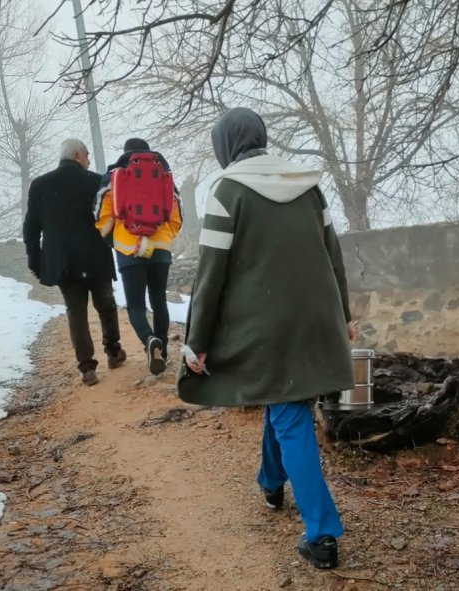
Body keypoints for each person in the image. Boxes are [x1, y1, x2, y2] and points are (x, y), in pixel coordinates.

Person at [177, 108, 357, 569]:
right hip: (316, 318)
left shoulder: (228, 191)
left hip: (266, 328)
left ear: (225, 146)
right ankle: (271, 482)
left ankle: (322, 534)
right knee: (285, 399)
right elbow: (333, 256)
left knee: (289, 413)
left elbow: (211, 273)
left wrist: (196, 340)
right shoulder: (309, 186)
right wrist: (345, 315)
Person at [23, 138, 126, 386]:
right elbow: (110, 217)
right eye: (87, 155)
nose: (89, 160)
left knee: (76, 313)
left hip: (63, 263)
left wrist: (36, 261)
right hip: (95, 258)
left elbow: (31, 229)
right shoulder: (95, 182)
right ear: (78, 155)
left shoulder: (40, 185)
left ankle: (87, 368)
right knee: (106, 305)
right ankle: (113, 352)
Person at [95, 138, 183, 375]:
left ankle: (149, 340)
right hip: (160, 247)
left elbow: (102, 216)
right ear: (148, 152)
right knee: (159, 300)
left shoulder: (115, 176)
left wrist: (115, 240)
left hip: (128, 248)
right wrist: (164, 237)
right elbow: (176, 217)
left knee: (135, 305)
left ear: (126, 153)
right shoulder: (164, 174)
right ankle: (162, 350)